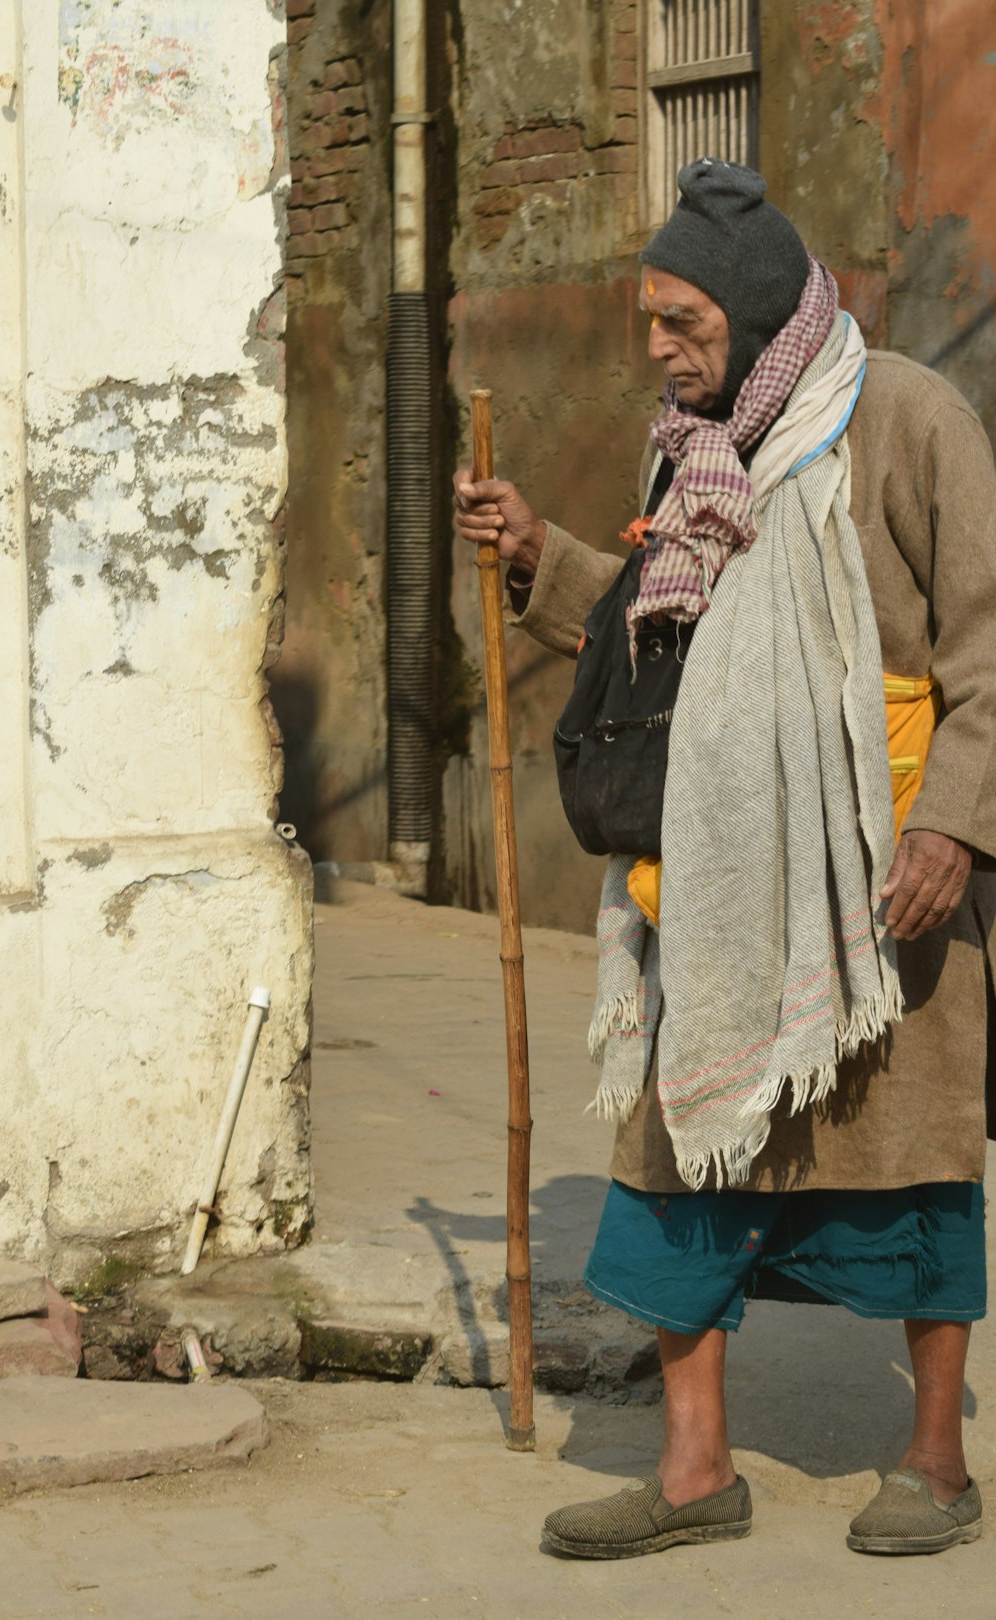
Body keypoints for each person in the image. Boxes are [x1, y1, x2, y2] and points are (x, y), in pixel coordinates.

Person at [454, 159, 996, 1559]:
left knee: (915, 1163)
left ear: (756, 315)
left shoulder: (915, 420)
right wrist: (539, 555)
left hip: (883, 869)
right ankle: (696, 1471)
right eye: (651, 319)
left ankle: (935, 1461)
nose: (656, 348)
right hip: (712, 864)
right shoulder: (693, 442)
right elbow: (658, 620)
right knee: (681, 1160)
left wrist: (950, 824)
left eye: (680, 321)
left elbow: (990, 653)